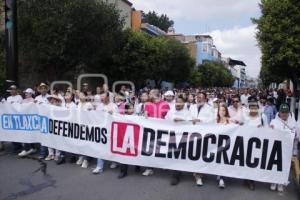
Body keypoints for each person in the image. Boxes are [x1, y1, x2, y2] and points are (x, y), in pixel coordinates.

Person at [165, 95, 193, 185]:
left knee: (178, 155)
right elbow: (164, 121)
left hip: (182, 138)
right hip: (171, 136)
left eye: (180, 102)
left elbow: (191, 123)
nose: (178, 104)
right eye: (177, 102)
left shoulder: (187, 113)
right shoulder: (171, 111)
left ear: (183, 104)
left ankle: (176, 175)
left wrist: (182, 120)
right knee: (172, 153)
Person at [241, 99, 268, 190]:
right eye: (251, 107)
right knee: (247, 161)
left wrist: (263, 128)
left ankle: (251, 179)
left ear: (258, 108)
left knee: (254, 162)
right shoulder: (245, 117)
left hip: (258, 144)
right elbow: (241, 128)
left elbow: (267, 129)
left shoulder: (263, 117)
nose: (253, 109)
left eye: (255, 107)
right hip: (246, 142)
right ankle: (247, 178)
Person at [142, 89, 170, 176]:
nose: (148, 95)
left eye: (150, 93)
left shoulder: (165, 104)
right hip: (151, 130)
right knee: (149, 149)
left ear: (155, 94)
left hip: (162, 130)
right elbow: (145, 116)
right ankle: (149, 168)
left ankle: (164, 164)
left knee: (162, 148)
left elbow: (168, 118)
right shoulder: (148, 104)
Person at [189, 92, 215, 186]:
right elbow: (187, 117)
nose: (199, 99)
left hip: (203, 134)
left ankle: (199, 175)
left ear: (205, 99)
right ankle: (194, 170)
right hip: (192, 133)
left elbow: (213, 120)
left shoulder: (209, 108)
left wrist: (200, 120)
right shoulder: (192, 107)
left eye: (201, 97)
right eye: (198, 97)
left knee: (201, 154)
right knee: (193, 153)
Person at [269, 104, 296, 192]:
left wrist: (294, 151)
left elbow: (295, 137)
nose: (284, 114)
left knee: (284, 166)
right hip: (275, 148)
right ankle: (273, 181)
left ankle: (280, 183)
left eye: (286, 112)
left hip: (286, 150)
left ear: (288, 113)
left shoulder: (293, 123)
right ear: (279, 112)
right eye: (282, 112)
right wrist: (270, 129)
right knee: (274, 165)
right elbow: (269, 133)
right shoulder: (273, 121)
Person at [93, 91, 119, 174]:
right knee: (100, 147)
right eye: (101, 96)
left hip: (111, 129)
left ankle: (114, 161)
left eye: (103, 96)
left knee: (111, 147)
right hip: (101, 130)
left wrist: (112, 114)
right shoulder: (99, 106)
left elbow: (117, 117)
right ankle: (99, 166)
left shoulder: (113, 106)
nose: (101, 98)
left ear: (108, 97)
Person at [118, 103, 141, 178]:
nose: (132, 109)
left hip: (135, 137)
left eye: (132, 108)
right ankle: (123, 171)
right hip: (125, 138)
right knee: (124, 154)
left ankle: (138, 166)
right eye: (130, 108)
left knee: (136, 152)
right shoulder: (122, 117)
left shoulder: (137, 116)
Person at [215, 104, 232, 189]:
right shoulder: (215, 120)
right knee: (218, 160)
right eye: (220, 110)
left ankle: (222, 178)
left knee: (223, 160)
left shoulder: (229, 120)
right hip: (215, 144)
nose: (222, 112)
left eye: (224, 110)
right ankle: (218, 174)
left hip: (226, 144)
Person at [76, 92, 94, 168]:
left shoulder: (89, 104)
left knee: (86, 143)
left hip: (87, 126)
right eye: (79, 95)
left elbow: (93, 115)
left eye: (82, 95)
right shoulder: (79, 104)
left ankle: (86, 160)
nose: (80, 96)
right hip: (79, 125)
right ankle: (81, 156)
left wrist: (90, 111)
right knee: (80, 142)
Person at [45, 94, 64, 162]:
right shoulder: (47, 106)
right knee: (49, 139)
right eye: (50, 99)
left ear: (56, 100)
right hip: (49, 124)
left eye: (53, 99)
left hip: (57, 125)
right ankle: (50, 154)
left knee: (57, 140)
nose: (52, 100)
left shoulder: (61, 107)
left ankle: (57, 154)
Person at [18, 88, 37, 157]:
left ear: (31, 94)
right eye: (25, 93)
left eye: (27, 93)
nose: (26, 94)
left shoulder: (34, 100)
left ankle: (30, 148)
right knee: (25, 134)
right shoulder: (23, 101)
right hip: (24, 119)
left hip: (31, 120)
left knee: (29, 134)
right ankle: (27, 148)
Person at [35, 83, 50, 159]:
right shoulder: (37, 98)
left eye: (44, 88)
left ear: (46, 89)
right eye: (41, 88)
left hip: (47, 119)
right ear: (40, 90)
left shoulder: (50, 97)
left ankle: (46, 153)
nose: (43, 89)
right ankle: (43, 152)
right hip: (39, 119)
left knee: (47, 136)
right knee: (41, 136)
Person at [6, 85, 23, 153]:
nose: (12, 91)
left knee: (18, 132)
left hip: (17, 116)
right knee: (12, 132)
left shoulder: (19, 97)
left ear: (16, 90)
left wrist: (14, 103)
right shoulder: (8, 98)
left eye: (13, 89)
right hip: (10, 117)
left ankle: (19, 146)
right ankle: (15, 147)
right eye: (11, 89)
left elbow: (20, 106)